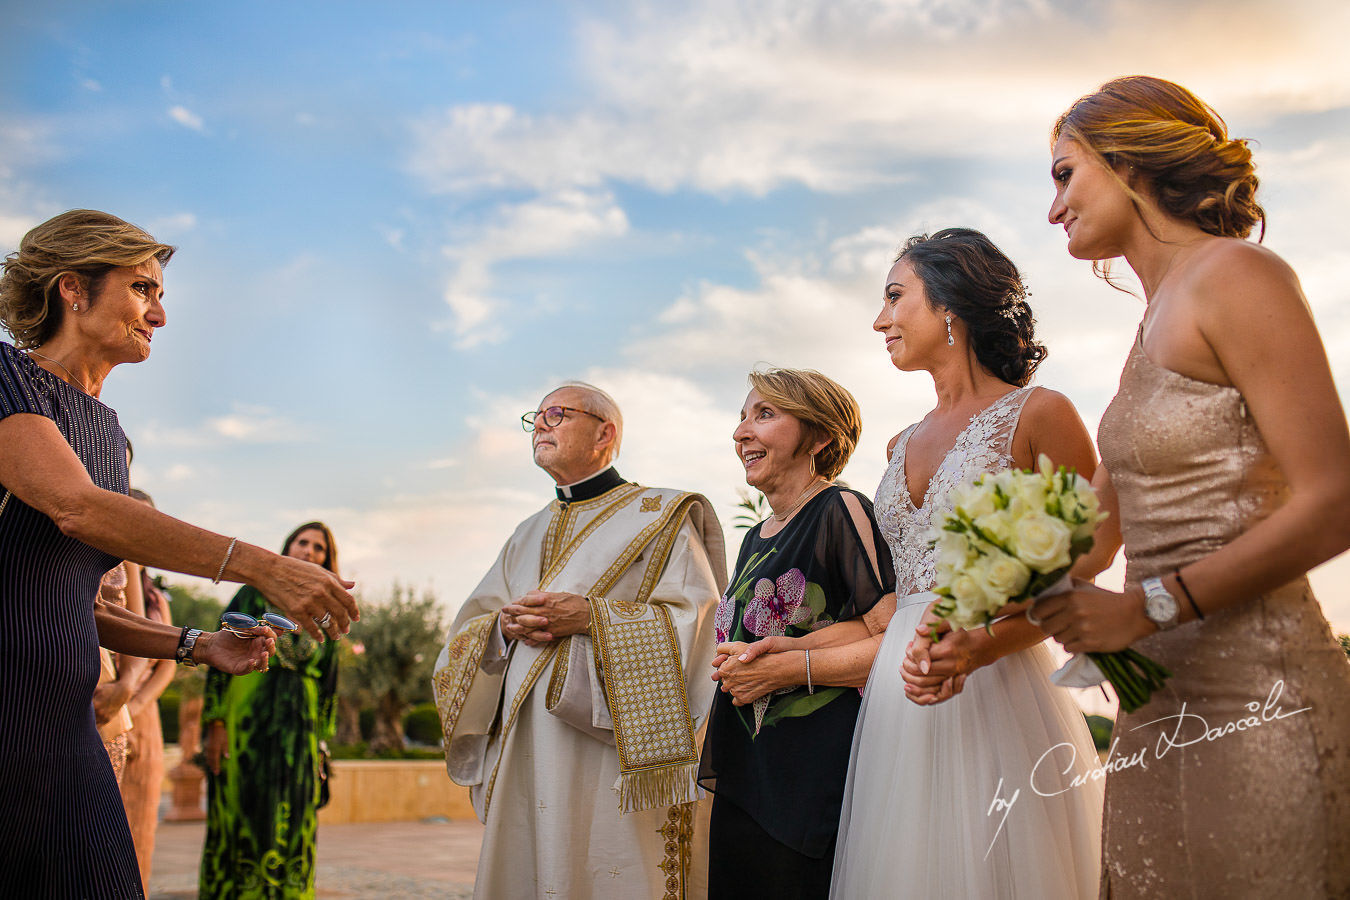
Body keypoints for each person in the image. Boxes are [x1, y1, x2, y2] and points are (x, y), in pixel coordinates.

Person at [1034, 75, 1350, 897]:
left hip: (1260, 698)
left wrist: (1145, 607)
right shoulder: (1149, 324)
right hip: (1155, 707)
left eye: (1065, 173)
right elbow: (1099, 533)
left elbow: (1336, 500)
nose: (1053, 206)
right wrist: (975, 605)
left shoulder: (1238, 275)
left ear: (1128, 158)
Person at [736, 230, 1109, 898]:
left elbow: (1077, 579)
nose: (880, 319)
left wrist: (980, 646)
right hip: (895, 699)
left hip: (996, 688)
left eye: (894, 296)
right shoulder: (896, 442)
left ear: (951, 305)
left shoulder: (1040, 414)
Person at [0, 209, 357, 898]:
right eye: (142, 289)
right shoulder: (6, 379)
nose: (158, 315)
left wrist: (195, 644)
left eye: (160, 295)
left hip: (66, 733)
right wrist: (262, 564)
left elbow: (66, 603)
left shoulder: (110, 436)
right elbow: (76, 508)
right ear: (73, 289)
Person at [432, 382, 726, 899]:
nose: (540, 425)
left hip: (606, 742)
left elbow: (696, 621)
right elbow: (470, 627)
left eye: (557, 414)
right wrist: (501, 630)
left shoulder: (659, 516)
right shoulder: (526, 531)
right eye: (536, 418)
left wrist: (591, 615)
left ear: (604, 433)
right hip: (526, 745)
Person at [700, 367, 895, 899]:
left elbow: (892, 638)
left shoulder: (839, 509)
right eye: (742, 416)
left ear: (821, 436)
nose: (742, 431)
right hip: (747, 770)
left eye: (765, 414)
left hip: (809, 774)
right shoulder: (753, 540)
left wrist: (793, 665)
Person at [200, 521, 342, 899]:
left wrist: (323, 745)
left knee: (293, 815)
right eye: (302, 542)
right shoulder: (253, 595)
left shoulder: (328, 612)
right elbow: (218, 655)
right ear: (288, 547)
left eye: (319, 547)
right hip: (246, 722)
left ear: (327, 558)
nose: (309, 551)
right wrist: (215, 722)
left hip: (301, 731)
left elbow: (330, 684)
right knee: (243, 807)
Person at [119, 491, 177, 894]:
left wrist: (136, 702)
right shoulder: (105, 580)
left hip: (145, 715)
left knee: (140, 826)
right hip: (105, 710)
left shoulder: (156, 597)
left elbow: (169, 663)